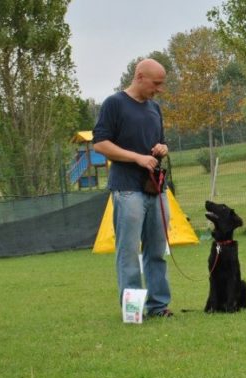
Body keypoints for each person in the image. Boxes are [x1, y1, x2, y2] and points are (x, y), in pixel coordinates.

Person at [92, 58, 173, 318]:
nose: (159, 89)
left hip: (155, 188)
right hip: (127, 189)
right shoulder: (114, 104)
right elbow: (101, 144)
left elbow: (159, 142)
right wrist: (137, 157)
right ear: (139, 76)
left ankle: (159, 306)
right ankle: (133, 310)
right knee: (128, 252)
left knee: (157, 250)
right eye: (156, 83)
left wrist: (162, 148)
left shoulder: (155, 108)